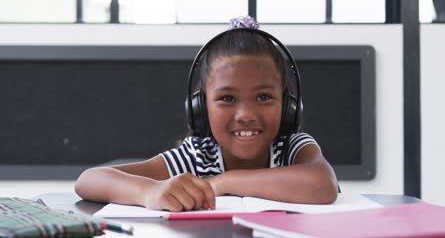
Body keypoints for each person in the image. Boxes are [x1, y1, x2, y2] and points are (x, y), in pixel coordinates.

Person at [75, 16, 339, 212]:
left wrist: (221, 182)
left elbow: (322, 185)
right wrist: (149, 191)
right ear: (200, 109)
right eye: (227, 98)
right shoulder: (197, 156)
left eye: (263, 97)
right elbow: (90, 180)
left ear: (288, 105)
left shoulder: (293, 148)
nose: (246, 114)